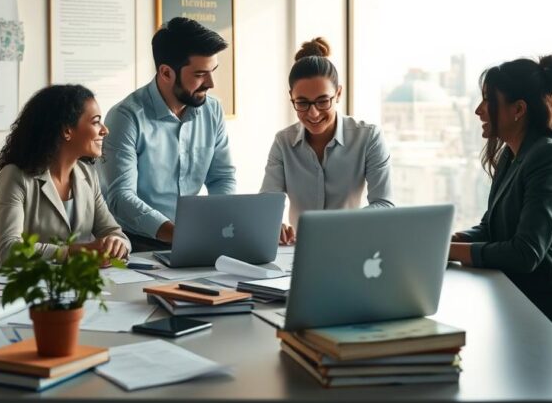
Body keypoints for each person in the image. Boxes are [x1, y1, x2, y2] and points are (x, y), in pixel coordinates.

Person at [447, 54, 552, 348]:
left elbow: (526, 253)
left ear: (518, 109)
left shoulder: (550, 158)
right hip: (517, 294)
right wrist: (450, 239)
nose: (479, 110)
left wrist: (447, 250)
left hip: (550, 307)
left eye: (488, 101)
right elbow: (490, 228)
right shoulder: (511, 156)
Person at [99, 17, 236, 252]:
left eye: (213, 71)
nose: (211, 83)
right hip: (137, 243)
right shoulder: (126, 117)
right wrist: (177, 234)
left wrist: (218, 225)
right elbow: (120, 198)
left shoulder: (212, 110)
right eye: (201, 74)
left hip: (194, 238)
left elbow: (221, 178)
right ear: (166, 72)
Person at [261, 37, 394, 244]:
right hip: (299, 250)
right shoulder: (283, 142)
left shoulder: (368, 137)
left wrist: (334, 225)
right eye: (302, 103)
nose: (313, 113)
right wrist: (273, 224)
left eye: (323, 101)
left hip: (352, 244)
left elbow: (384, 204)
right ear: (291, 97)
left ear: (338, 93)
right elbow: (267, 205)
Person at [0, 85, 130, 263]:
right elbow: (10, 249)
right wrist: (74, 252)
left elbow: (115, 233)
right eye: (96, 122)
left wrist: (117, 243)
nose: (105, 130)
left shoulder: (88, 174)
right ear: (67, 131)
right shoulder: (15, 175)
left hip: (78, 283)